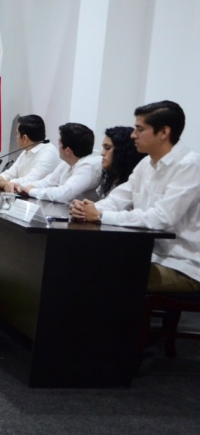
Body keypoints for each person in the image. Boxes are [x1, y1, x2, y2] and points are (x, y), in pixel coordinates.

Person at [71, 101, 200, 292]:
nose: (133, 135)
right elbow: (118, 199)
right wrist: (87, 209)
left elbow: (161, 218)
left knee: (106, 275)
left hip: (182, 265)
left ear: (164, 132)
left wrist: (100, 215)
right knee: (80, 260)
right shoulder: (146, 163)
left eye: (140, 129)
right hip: (149, 255)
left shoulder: (189, 165)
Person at [15, 123, 100, 203]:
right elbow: (48, 182)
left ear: (67, 151)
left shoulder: (88, 166)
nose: (57, 146)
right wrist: (20, 186)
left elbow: (63, 194)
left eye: (59, 143)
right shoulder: (68, 161)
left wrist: (32, 191)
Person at [0, 114, 58, 191]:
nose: (16, 137)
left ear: (25, 138)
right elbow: (10, 174)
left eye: (17, 134)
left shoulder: (48, 154)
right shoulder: (28, 149)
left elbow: (28, 182)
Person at [95, 126, 145, 199]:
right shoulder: (111, 177)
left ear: (122, 151)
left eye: (107, 148)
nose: (102, 153)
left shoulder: (136, 181)